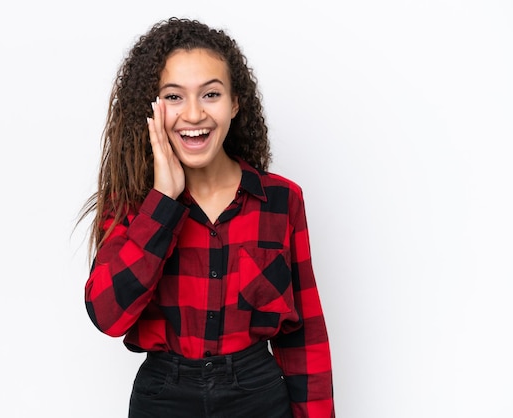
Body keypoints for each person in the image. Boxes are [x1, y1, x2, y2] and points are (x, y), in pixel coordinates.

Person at [81, 17, 334, 418]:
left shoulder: (281, 200)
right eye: (174, 96)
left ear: (235, 103)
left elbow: (304, 336)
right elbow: (108, 315)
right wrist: (163, 201)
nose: (194, 114)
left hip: (259, 397)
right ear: (152, 109)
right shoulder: (131, 201)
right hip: (163, 398)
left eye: (211, 94)